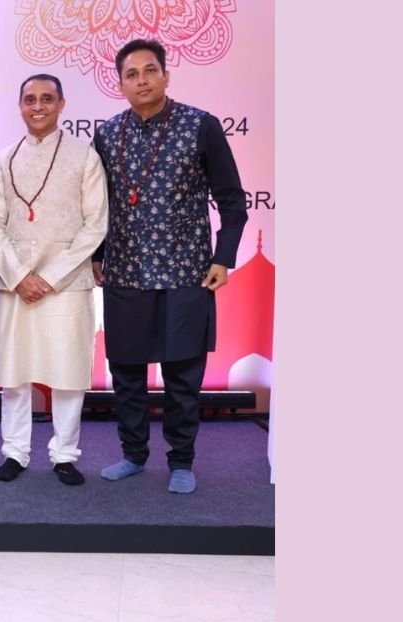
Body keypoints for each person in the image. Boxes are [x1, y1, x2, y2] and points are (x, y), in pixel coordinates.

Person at [92, 39, 247, 494]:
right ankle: (133, 455)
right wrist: (98, 256)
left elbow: (232, 200)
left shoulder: (201, 126)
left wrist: (223, 257)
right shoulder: (107, 134)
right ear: (120, 83)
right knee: (127, 374)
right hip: (125, 272)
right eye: (131, 74)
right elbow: (97, 205)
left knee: (183, 376)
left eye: (150, 70)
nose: (141, 80)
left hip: (187, 272)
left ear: (166, 75)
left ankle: (181, 461)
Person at [0, 74, 108, 485]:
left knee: (68, 374)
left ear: (61, 105)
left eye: (47, 99)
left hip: (67, 284)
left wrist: (51, 277)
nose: (38, 106)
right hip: (14, 283)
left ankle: (65, 455)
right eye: (30, 99)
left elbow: (95, 225)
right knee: (14, 374)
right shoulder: (5, 158)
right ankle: (15, 452)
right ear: (20, 105)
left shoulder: (84, 156)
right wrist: (20, 276)